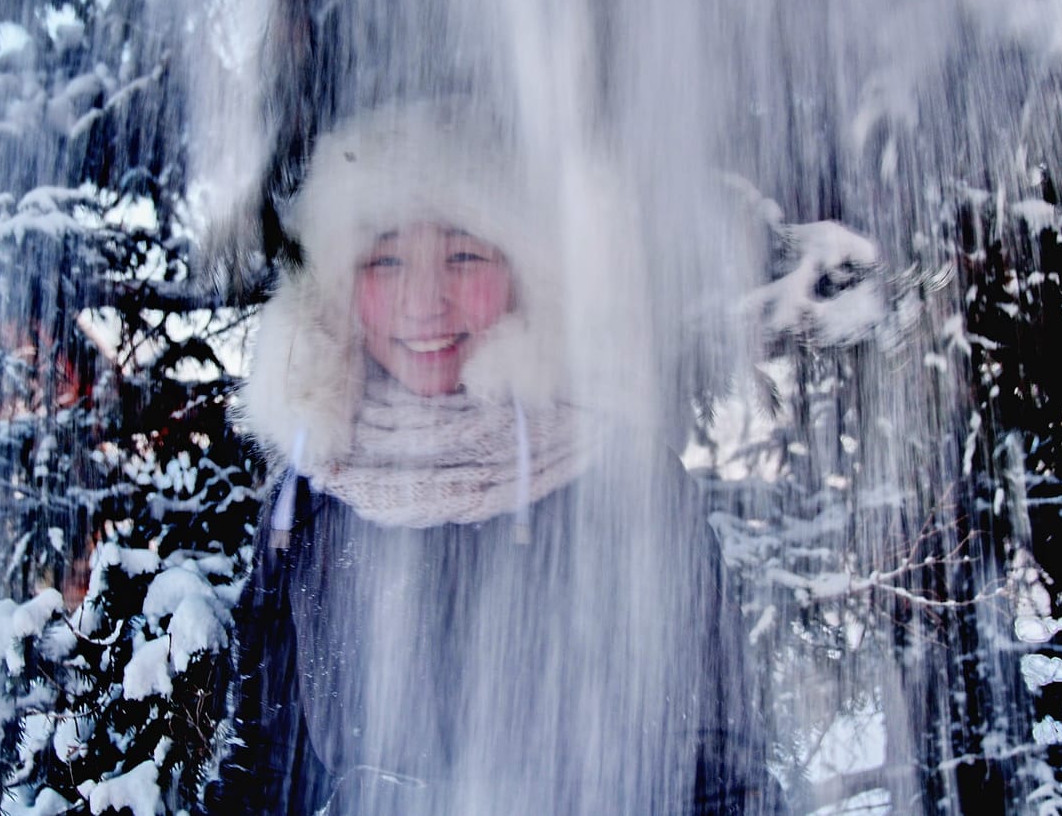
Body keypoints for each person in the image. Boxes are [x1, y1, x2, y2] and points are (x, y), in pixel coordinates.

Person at [210, 100, 787, 815]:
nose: (423, 301)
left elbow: (722, 775)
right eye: (385, 259)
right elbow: (265, 771)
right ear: (336, 281)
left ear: (525, 269)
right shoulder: (311, 493)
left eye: (464, 254)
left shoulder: (625, 482)